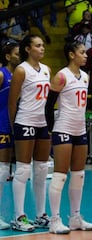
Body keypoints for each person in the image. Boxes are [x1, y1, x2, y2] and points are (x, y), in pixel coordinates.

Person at [45, 41, 92, 234]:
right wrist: (51, 130)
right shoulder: (61, 76)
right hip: (64, 129)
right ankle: (55, 220)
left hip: (80, 130)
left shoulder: (84, 76)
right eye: (82, 52)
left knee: (79, 175)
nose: (86, 55)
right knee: (60, 175)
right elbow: (49, 106)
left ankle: (75, 217)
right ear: (71, 55)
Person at [8, 34, 51, 232]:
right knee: (23, 169)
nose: (42, 49)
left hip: (41, 123)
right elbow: (12, 101)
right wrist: (13, 125)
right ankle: (19, 216)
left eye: (42, 45)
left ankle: (41, 215)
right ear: (28, 49)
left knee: (41, 169)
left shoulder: (47, 70)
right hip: (24, 121)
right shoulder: (21, 70)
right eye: (38, 46)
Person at [0, 42, 20, 230]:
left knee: (6, 170)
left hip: (15, 125)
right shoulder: (1, 74)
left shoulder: (19, 75)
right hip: (1, 125)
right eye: (16, 53)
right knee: (1, 169)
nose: (19, 55)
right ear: (7, 57)